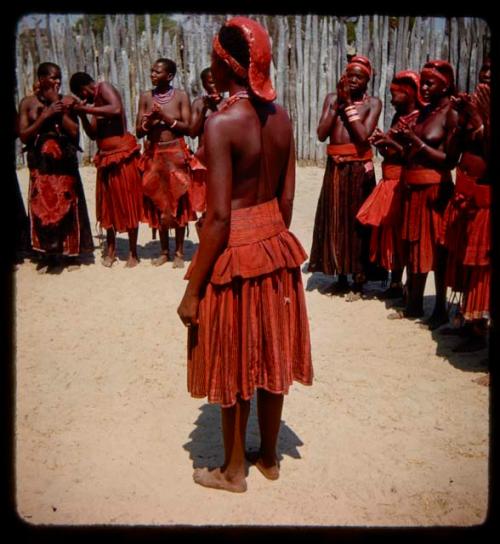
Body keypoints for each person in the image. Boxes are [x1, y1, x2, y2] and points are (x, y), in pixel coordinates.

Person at [177, 16, 313, 493]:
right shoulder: (282, 118)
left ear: (223, 63)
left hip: (233, 255)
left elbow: (216, 219)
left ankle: (233, 471)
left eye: (214, 56)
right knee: (271, 355)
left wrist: (192, 290)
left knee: (234, 360)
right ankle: (270, 457)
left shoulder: (221, 124)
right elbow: (289, 199)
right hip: (276, 248)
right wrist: (269, 240)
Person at [388, 60, 459, 329]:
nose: (425, 87)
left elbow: (448, 160)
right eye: (424, 82)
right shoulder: (426, 111)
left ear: (447, 84)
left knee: (438, 250)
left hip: (435, 190)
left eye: (430, 83)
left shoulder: (451, 113)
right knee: (413, 244)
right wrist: (393, 142)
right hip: (413, 188)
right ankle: (414, 304)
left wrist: (415, 141)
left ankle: (439, 309)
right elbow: (411, 154)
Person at [309, 55, 382, 299]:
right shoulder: (332, 99)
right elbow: (321, 134)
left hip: (358, 169)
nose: (353, 79)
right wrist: (337, 104)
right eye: (349, 74)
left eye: (358, 77)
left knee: (358, 222)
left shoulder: (373, 103)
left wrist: (348, 105)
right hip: (335, 168)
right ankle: (340, 276)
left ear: (367, 80)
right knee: (336, 219)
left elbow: (362, 136)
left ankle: (360, 279)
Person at [17, 62, 94, 273]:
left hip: (64, 163)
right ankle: (46, 256)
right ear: (41, 79)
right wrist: (45, 115)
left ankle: (70, 256)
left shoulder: (67, 101)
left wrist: (57, 108)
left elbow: (74, 132)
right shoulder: (27, 103)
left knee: (68, 203)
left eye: (59, 77)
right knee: (42, 206)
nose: (57, 81)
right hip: (40, 163)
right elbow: (23, 135)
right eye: (52, 77)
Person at [358, 70, 425, 300]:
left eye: (394, 94)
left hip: (401, 180)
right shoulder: (399, 118)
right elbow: (390, 151)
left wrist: (390, 143)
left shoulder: (418, 119)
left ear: (408, 93)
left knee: (399, 232)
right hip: (389, 178)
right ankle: (395, 282)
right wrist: (381, 143)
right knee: (388, 232)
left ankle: (403, 284)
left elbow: (413, 155)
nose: (391, 98)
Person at [440, 57, 491, 353]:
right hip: (466, 197)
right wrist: (462, 121)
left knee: (484, 268)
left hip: (486, 203)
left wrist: (483, 120)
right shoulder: (473, 107)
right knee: (466, 264)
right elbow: (451, 156)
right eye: (483, 72)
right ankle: (472, 328)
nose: (485, 77)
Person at [69, 72, 144, 268]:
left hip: (122, 155)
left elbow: (116, 109)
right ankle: (110, 249)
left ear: (84, 89)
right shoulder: (94, 105)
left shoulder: (104, 88)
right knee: (108, 205)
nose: (84, 99)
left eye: (82, 95)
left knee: (127, 201)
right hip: (105, 157)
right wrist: (83, 115)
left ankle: (132, 252)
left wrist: (84, 107)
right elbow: (93, 135)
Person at [136, 58, 197, 268]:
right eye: (152, 71)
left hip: (175, 152)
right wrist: (151, 121)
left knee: (178, 199)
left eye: (157, 72)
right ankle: (163, 251)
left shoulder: (180, 96)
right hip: (154, 153)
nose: (152, 74)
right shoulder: (146, 97)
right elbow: (138, 130)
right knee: (158, 198)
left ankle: (179, 252)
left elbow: (188, 127)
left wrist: (164, 116)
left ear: (169, 76)